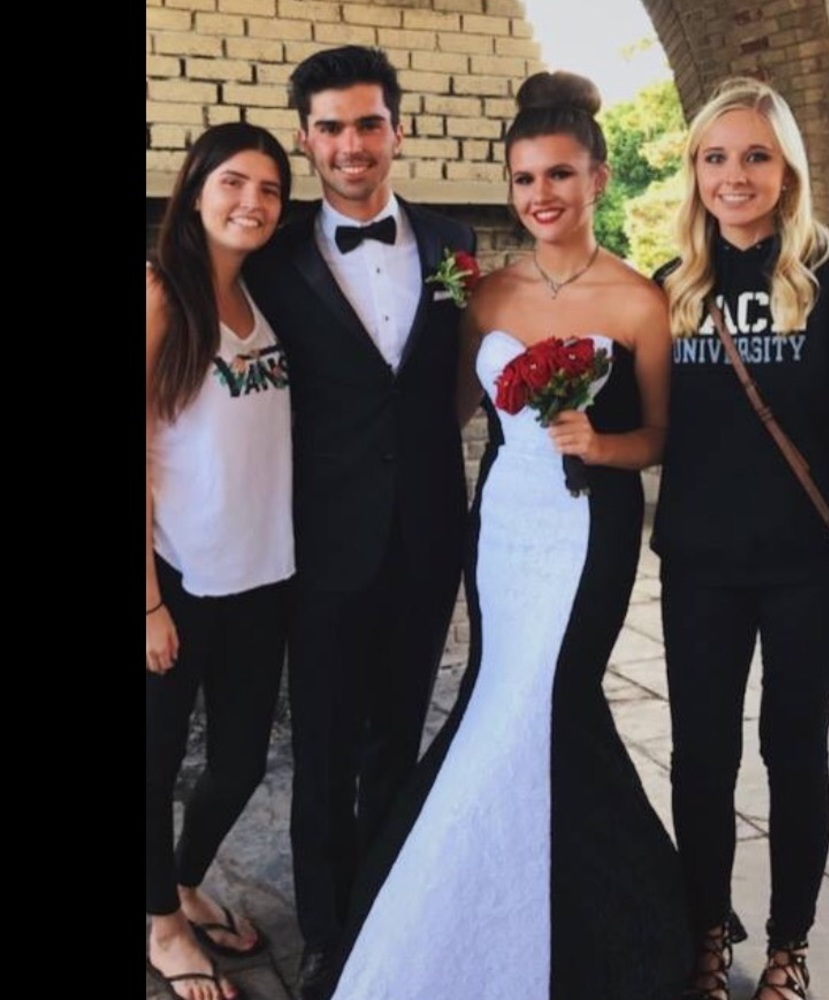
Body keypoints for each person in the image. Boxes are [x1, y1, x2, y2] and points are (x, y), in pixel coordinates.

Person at [317, 70, 692, 1000]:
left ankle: (619, 919)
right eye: (524, 180)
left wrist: (602, 443)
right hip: (504, 530)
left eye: (559, 176)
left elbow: (659, 439)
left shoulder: (641, 302)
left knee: (556, 699)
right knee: (498, 697)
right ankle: (469, 892)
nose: (541, 197)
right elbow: (434, 412)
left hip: (588, 529)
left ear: (598, 179)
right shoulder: (483, 296)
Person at [240, 45, 477, 1000]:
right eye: (330, 127)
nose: (350, 145)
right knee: (326, 747)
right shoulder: (274, 251)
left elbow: (458, 376)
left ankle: (393, 910)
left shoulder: (455, 240)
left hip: (425, 535)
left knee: (400, 741)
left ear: (397, 129)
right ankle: (331, 938)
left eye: (367, 123)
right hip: (319, 543)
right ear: (306, 139)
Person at [650, 76, 829, 1000]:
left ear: (787, 170)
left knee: (795, 750)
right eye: (716, 157)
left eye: (756, 156)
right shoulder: (673, 288)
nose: (735, 176)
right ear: (695, 171)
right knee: (700, 754)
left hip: (808, 567)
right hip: (698, 566)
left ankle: (789, 945)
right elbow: (652, 429)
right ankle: (705, 926)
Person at [146, 122, 294, 1000]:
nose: (252, 202)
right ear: (196, 190)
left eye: (271, 189)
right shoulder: (164, 293)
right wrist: (149, 604)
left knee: (238, 761)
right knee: (155, 764)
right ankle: (161, 925)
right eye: (234, 182)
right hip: (178, 583)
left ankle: (184, 883)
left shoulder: (260, 299)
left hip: (262, 577)